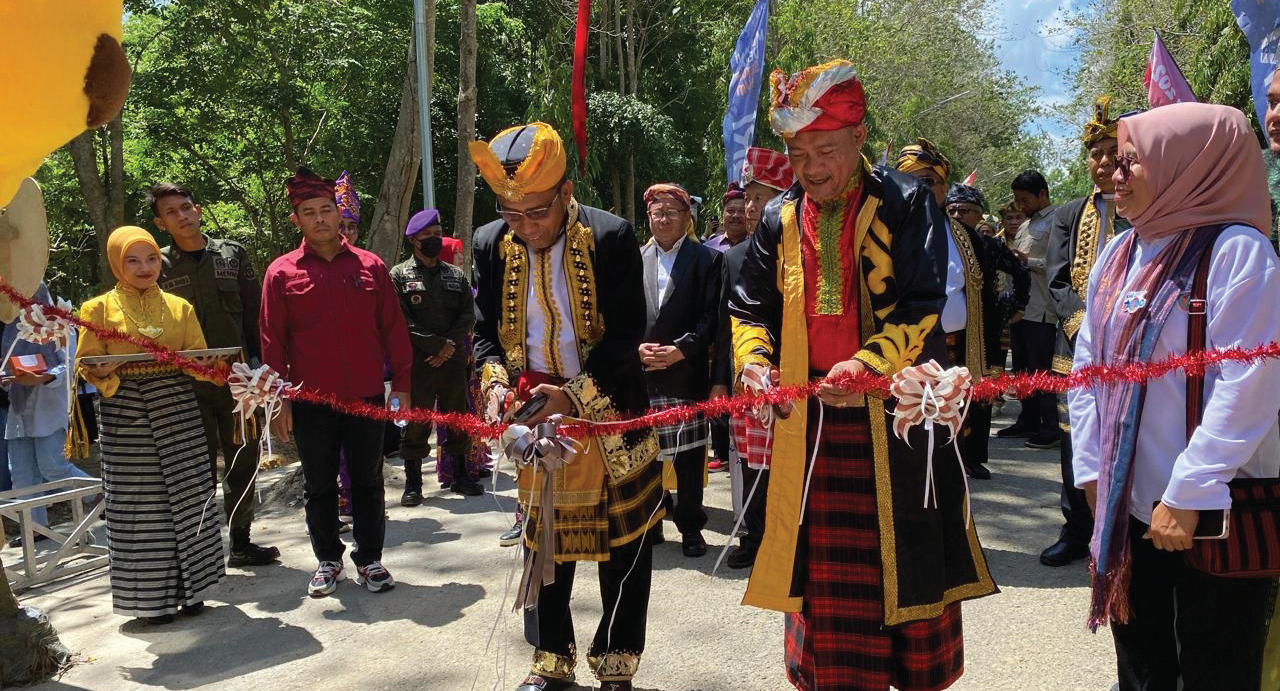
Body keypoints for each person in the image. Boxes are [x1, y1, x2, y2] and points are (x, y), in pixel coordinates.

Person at [730, 60, 996, 691]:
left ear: (858, 136)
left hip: (894, 419)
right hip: (812, 428)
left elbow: (923, 301)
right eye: (798, 154)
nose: (811, 168)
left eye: (825, 149)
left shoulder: (905, 205)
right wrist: (755, 362)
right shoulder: (778, 219)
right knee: (823, 582)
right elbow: (750, 307)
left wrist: (867, 364)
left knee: (904, 566)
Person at [1070, 102, 1280, 691]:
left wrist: (1189, 489)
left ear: (1186, 165)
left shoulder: (1237, 251)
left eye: (1131, 163)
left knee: (1217, 667)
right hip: (1128, 501)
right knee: (1141, 666)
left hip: (1213, 509)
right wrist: (1091, 470)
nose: (1115, 175)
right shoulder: (1121, 252)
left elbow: (1251, 381)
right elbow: (1090, 365)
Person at [470, 122, 662, 691]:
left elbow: (628, 333)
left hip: (610, 411)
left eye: (538, 213)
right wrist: (498, 383)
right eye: (512, 215)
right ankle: (550, 659)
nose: (526, 228)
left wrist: (573, 393)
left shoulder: (612, 236)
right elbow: (484, 334)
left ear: (566, 191)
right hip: (535, 418)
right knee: (544, 543)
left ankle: (616, 664)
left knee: (624, 547)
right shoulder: (488, 243)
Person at [259, 167, 412, 597]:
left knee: (367, 481)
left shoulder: (371, 267)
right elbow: (272, 343)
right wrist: (279, 402)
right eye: (310, 212)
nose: (321, 219)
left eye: (327, 209)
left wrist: (401, 384)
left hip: (366, 395)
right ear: (297, 220)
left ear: (338, 212)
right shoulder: (281, 273)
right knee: (320, 483)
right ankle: (328, 560)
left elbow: (394, 331)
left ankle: (371, 559)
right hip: (310, 400)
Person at [76, 226, 225, 624]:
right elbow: (85, 363)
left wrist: (211, 367)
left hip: (177, 407)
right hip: (126, 415)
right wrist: (101, 369)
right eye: (132, 260)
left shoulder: (180, 308)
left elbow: (199, 357)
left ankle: (194, 590)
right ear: (115, 263)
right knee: (141, 506)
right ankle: (150, 601)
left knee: (191, 495)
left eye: (152, 259)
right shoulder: (95, 310)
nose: (144, 268)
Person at [153, 182, 280, 567]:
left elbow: (258, 314)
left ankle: (240, 541)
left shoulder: (232, 254)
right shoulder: (156, 264)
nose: (182, 215)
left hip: (238, 382)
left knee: (244, 459)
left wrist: (262, 367)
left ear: (199, 209)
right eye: (171, 212)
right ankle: (201, 549)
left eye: (186, 207)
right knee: (196, 467)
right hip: (185, 387)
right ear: (161, 223)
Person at [896, 139, 1029, 480]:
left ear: (943, 188)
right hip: (901, 345)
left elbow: (1011, 274)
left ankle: (964, 461)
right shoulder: (884, 233)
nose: (918, 189)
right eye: (908, 180)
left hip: (957, 341)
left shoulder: (967, 238)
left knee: (961, 406)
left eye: (927, 181)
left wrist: (1009, 310)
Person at [1039, 97, 1128, 568]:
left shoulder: (1145, 210)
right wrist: (1085, 328)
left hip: (1136, 350)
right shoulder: (1069, 214)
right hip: (1075, 349)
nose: (1105, 161)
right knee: (1077, 439)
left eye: (1114, 151)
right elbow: (1056, 280)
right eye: (1097, 153)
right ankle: (1076, 531)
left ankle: (1125, 531)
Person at [712, 149, 793, 570]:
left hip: (799, 379)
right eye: (748, 198)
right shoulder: (733, 256)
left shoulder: (807, 249)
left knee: (794, 463)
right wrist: (723, 380)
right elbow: (727, 325)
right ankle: (754, 535)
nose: (751, 207)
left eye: (762, 198)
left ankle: (793, 538)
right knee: (750, 465)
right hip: (751, 377)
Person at [639, 183, 721, 557]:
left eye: (673, 211)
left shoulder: (707, 260)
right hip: (642, 372)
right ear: (649, 217)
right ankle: (652, 521)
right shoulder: (634, 258)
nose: (665, 218)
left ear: (688, 217)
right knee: (646, 455)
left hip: (685, 371)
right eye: (658, 212)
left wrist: (681, 350)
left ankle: (690, 527)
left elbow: (712, 317)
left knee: (689, 459)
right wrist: (636, 351)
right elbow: (621, 316)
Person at [391, 208, 482, 503]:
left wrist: (448, 347)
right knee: (416, 421)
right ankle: (413, 483)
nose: (433, 239)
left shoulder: (455, 275)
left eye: (437, 234)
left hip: (452, 361)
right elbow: (400, 320)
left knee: (457, 417)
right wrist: (434, 347)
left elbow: (468, 315)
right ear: (413, 240)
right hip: (418, 363)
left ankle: (460, 476)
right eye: (427, 235)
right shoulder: (399, 275)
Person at [2, 283, 92, 548]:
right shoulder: (11, 326)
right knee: (20, 471)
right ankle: (36, 528)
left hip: (49, 404)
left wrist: (45, 378)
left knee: (52, 465)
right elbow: (5, 362)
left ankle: (98, 498)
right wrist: (8, 378)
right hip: (18, 405)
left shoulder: (59, 321)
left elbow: (70, 363)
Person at [1004, 169, 1060, 449]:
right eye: (1017, 200)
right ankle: (1028, 419)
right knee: (1023, 368)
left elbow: (1063, 265)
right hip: (1020, 308)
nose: (1021, 206)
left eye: (1025, 200)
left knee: (1042, 369)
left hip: (1042, 309)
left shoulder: (1059, 221)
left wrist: (1028, 262)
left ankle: (1051, 426)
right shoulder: (1026, 225)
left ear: (1042, 194)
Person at [703, 184, 749, 474]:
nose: (735, 216)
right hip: (715, 332)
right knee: (716, 391)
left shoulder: (760, 247)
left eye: (740, 210)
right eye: (730, 210)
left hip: (745, 333)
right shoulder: (710, 248)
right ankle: (720, 450)